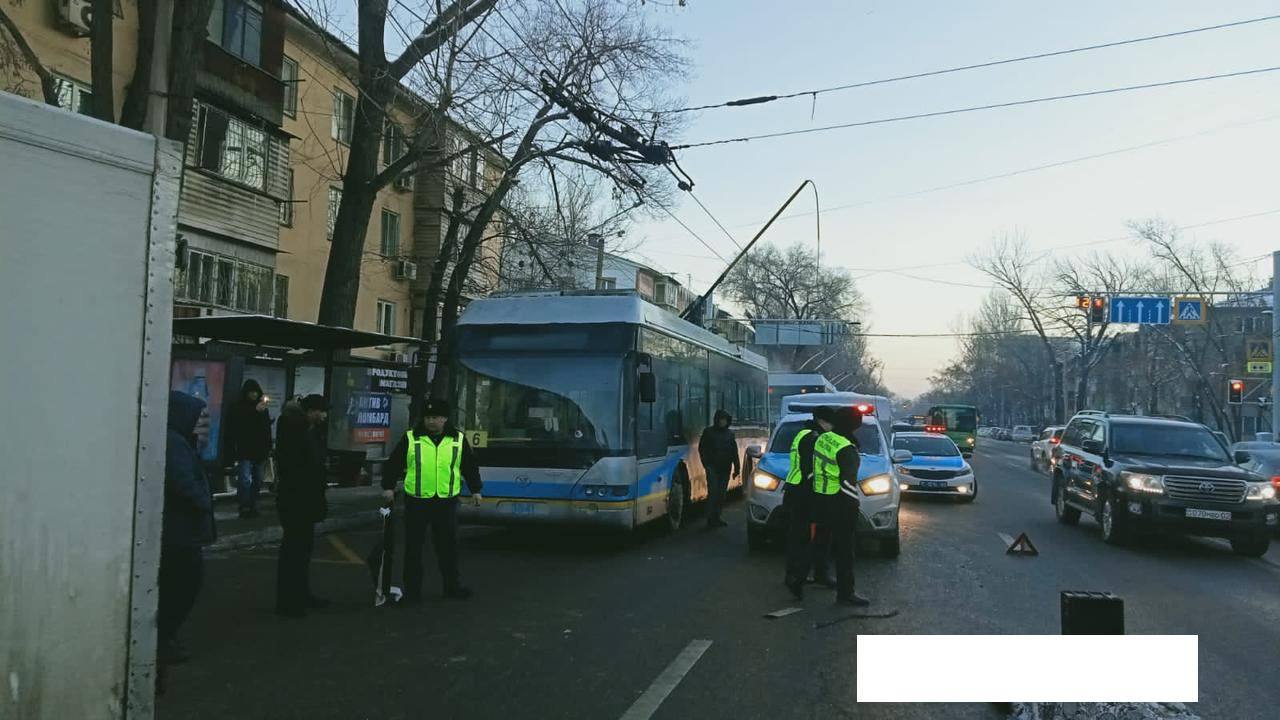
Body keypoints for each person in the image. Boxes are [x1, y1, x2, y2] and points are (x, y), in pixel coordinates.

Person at [383, 398, 482, 604]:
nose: (431, 421)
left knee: (448, 547)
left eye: (435, 417)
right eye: (428, 417)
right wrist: (388, 487)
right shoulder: (411, 438)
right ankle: (412, 592)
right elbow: (394, 463)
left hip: (445, 501)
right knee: (413, 548)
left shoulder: (457, 439)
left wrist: (476, 490)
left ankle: (452, 587)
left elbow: (469, 466)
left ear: (445, 419)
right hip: (417, 500)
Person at [159, 391, 216, 664]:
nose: (200, 424)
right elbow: (183, 484)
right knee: (183, 587)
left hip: (180, 531)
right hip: (180, 533)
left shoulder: (178, 441)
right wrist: (203, 502)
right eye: (197, 417)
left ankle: (166, 637)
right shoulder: (175, 444)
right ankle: (164, 639)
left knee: (179, 586)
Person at [274, 394, 330, 618]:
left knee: (302, 550)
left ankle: (301, 594)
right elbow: (298, 468)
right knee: (293, 551)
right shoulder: (294, 430)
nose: (325, 415)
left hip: (305, 499)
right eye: (322, 411)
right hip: (296, 500)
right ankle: (288, 602)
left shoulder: (309, 430)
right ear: (311, 411)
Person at [812, 406, 870, 606]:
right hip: (840, 503)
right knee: (845, 550)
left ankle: (820, 573)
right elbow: (848, 483)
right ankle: (846, 593)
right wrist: (852, 505)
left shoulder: (824, 438)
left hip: (821, 498)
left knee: (823, 541)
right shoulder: (846, 448)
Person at [783, 406, 835, 600]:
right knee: (803, 537)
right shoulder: (813, 437)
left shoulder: (806, 433)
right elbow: (810, 468)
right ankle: (795, 576)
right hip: (805, 494)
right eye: (831, 422)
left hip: (798, 491)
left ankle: (815, 573)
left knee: (816, 535)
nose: (832, 426)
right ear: (822, 420)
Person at [226, 379, 272, 519]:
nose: (254, 394)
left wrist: (268, 446)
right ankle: (244, 505)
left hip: (259, 449)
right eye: (251, 392)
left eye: (256, 392)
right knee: (245, 479)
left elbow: (266, 429)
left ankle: (252, 504)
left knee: (257, 479)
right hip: (245, 448)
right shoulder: (239, 407)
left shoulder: (262, 408)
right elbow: (238, 425)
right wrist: (254, 412)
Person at [698, 409, 741, 528]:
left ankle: (717, 517)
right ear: (716, 420)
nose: (722, 422)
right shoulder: (708, 432)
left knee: (721, 494)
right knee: (713, 493)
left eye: (724, 420)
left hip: (725, 468)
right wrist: (706, 464)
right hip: (712, 467)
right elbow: (702, 448)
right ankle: (710, 519)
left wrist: (737, 469)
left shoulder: (730, 434)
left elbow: (734, 452)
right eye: (721, 419)